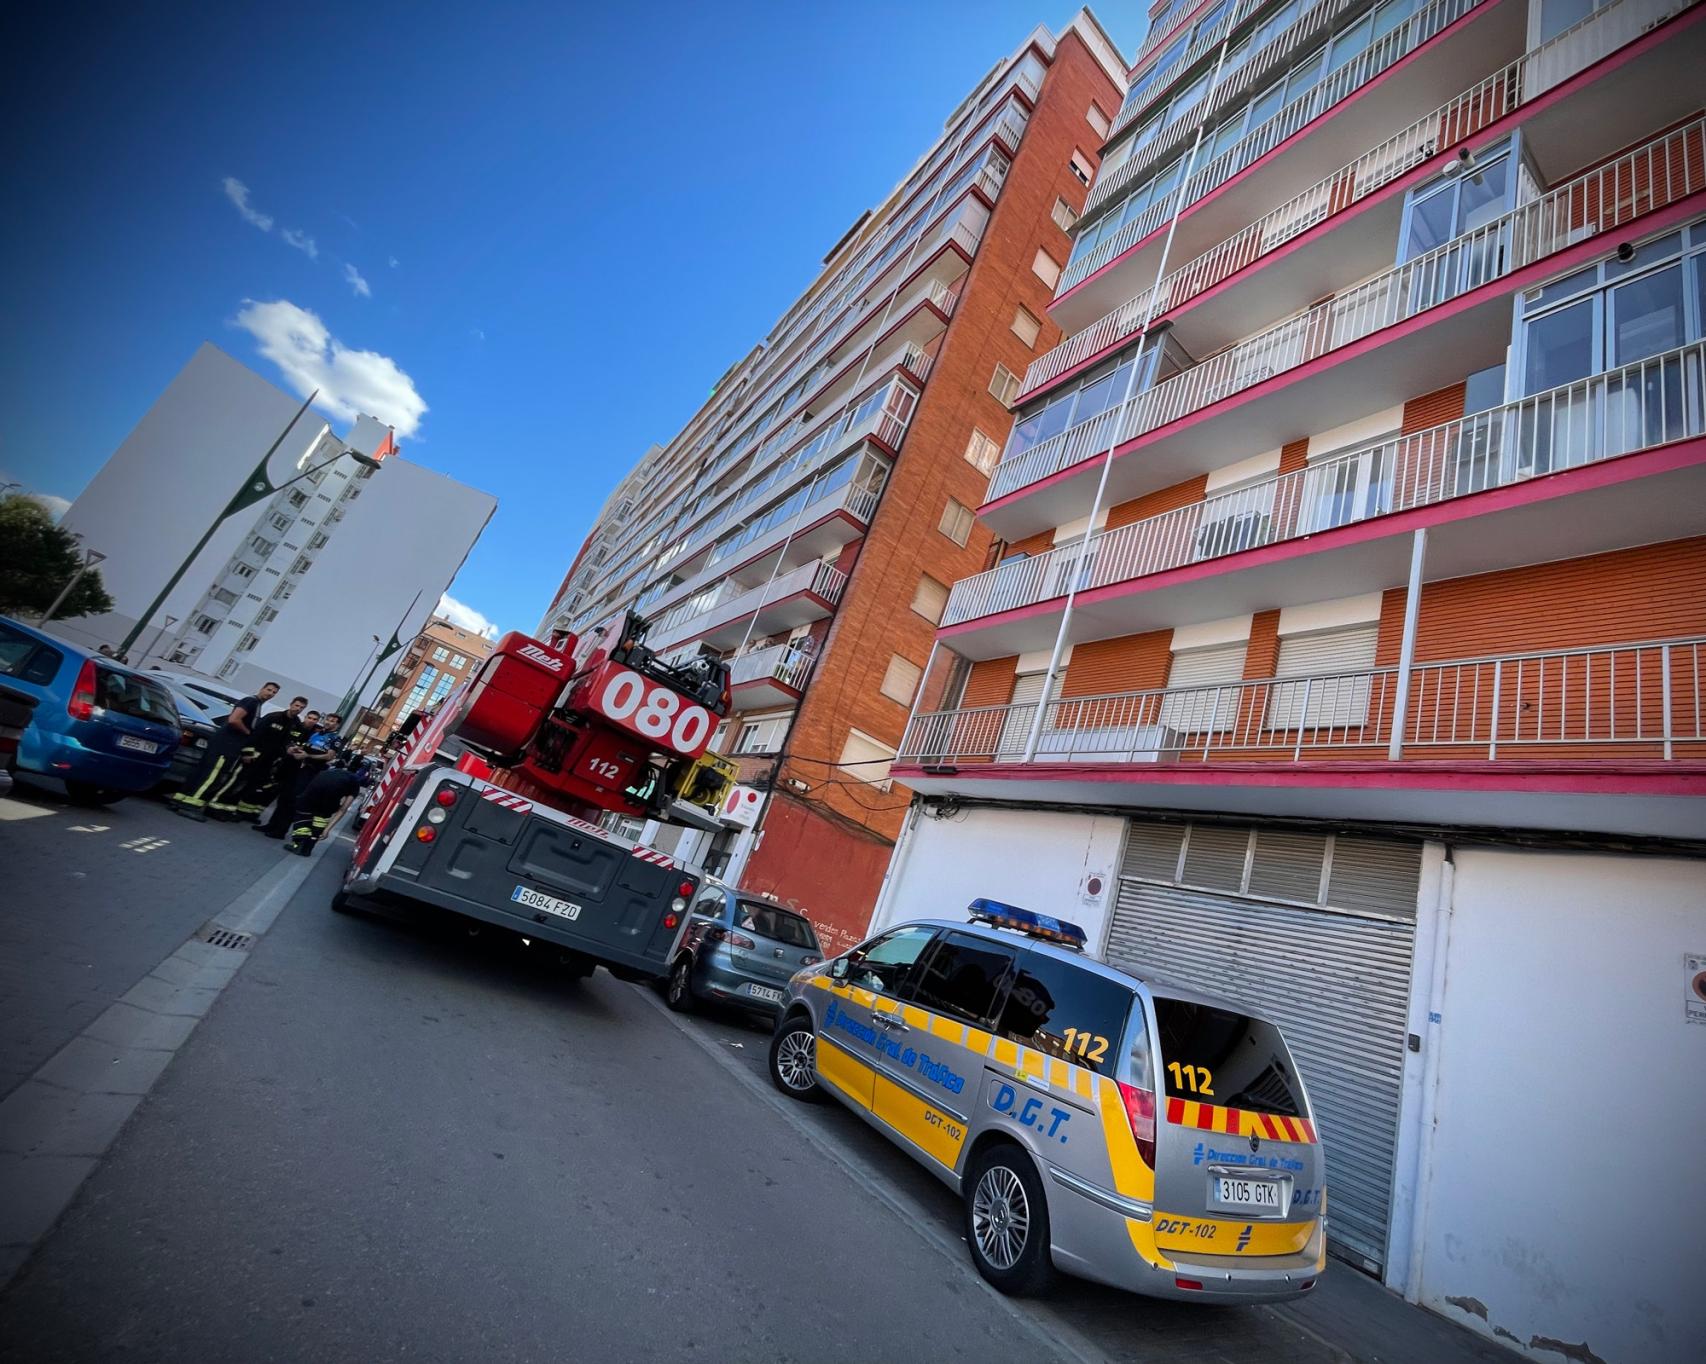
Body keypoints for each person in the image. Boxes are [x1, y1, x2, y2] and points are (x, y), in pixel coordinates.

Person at [170, 682, 279, 820]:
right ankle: (191, 805)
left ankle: (179, 800)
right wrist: (247, 733)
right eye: (269, 690)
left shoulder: (256, 705)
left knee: (202, 773)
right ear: (262, 688)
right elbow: (234, 720)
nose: (270, 694)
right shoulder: (250, 702)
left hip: (225, 744)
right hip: (226, 745)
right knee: (211, 776)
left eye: (274, 692)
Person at [206, 695, 308, 820]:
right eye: (297, 705)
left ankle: (228, 809)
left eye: (302, 708)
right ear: (291, 704)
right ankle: (213, 806)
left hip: (269, 760)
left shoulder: (296, 724)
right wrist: (248, 752)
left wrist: (291, 749)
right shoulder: (274, 717)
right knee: (236, 781)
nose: (298, 709)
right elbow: (255, 735)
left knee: (249, 786)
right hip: (255, 755)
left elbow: (289, 741)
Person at [256, 712, 346, 838]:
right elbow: (305, 747)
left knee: (293, 800)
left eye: (332, 721)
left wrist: (308, 756)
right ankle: (272, 824)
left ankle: (281, 830)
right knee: (284, 797)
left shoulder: (335, 739)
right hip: (298, 768)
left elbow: (329, 756)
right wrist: (296, 749)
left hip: (311, 771)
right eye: (328, 719)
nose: (328, 722)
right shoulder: (316, 733)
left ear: (337, 725)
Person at [283, 755, 367, 856]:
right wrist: (327, 830)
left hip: (313, 791)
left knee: (303, 815)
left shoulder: (332, 772)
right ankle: (307, 848)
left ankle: (299, 845)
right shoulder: (354, 785)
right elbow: (343, 809)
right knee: (322, 817)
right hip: (329, 798)